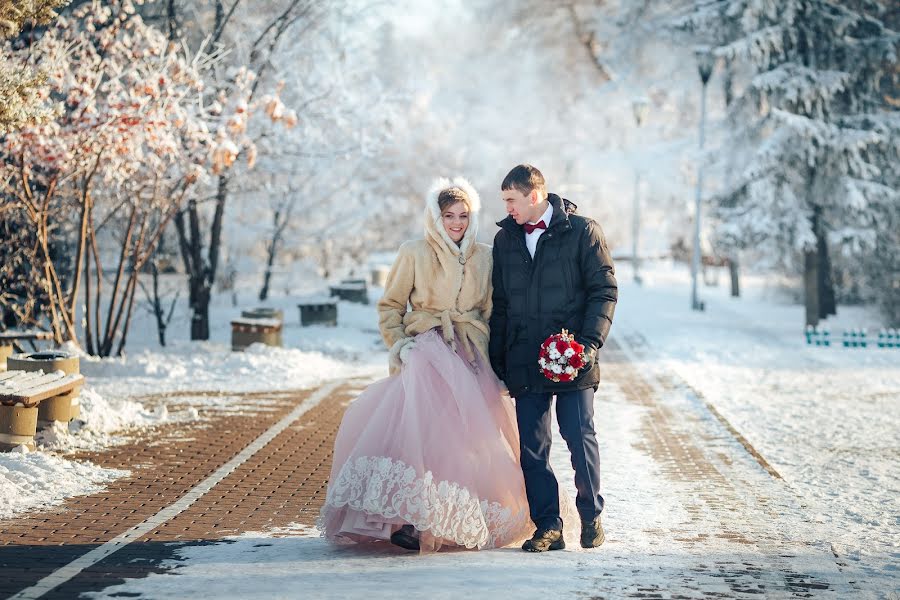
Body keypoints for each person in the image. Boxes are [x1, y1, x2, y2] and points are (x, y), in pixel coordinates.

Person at [317, 177, 533, 552]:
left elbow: (492, 311)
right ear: (435, 216)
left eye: (463, 215)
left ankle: (457, 519)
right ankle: (412, 521)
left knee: (469, 441)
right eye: (448, 215)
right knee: (423, 434)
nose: (456, 223)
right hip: (427, 349)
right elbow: (390, 306)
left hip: (471, 354)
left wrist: (496, 358)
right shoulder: (414, 252)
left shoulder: (485, 255)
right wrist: (399, 344)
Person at [488, 164, 617, 552]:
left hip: (573, 355)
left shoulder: (582, 231)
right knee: (532, 448)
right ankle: (548, 525)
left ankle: (591, 514)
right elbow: (502, 304)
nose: (507, 208)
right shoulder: (504, 240)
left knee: (579, 437)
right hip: (525, 357)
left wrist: (588, 345)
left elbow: (604, 291)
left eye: (512, 199)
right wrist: (500, 359)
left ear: (534, 195)